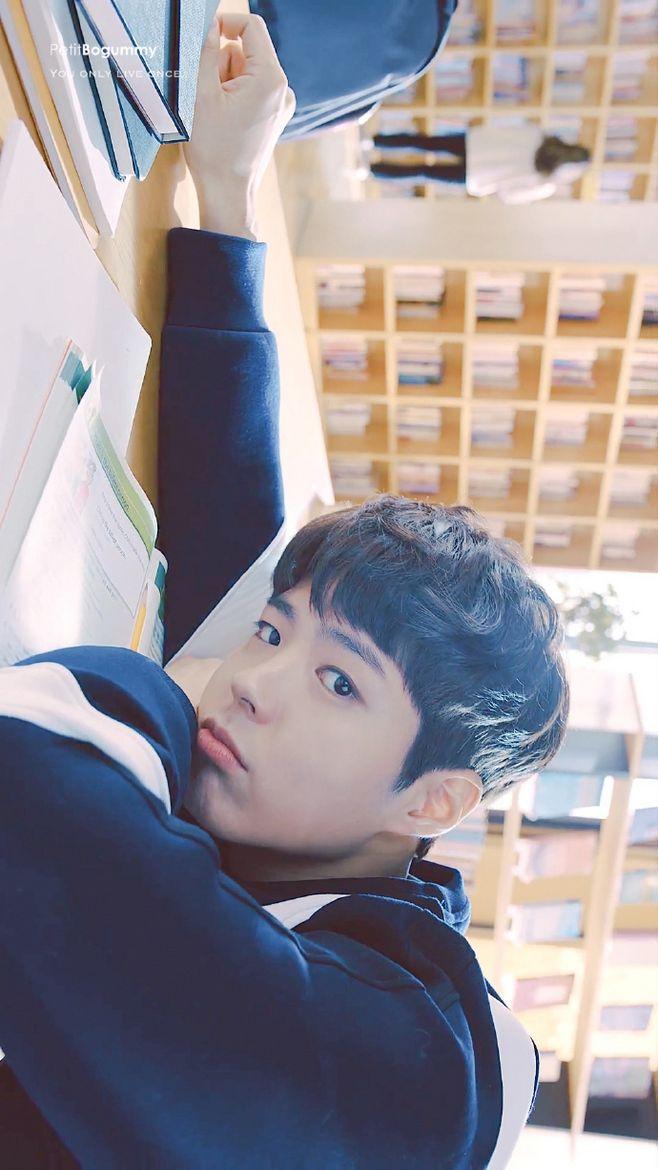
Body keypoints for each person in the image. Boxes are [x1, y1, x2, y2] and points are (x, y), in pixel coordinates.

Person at [0, 12, 570, 1169]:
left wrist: (156, 698)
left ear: (434, 801)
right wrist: (227, 194)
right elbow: (233, 548)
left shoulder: (421, 1079)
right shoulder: (315, 829)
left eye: (338, 683)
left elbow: (30, 788)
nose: (253, 683)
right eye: (274, 636)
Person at [366, 123, 591, 204]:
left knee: (424, 143)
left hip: (477, 143)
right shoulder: (545, 184)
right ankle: (371, 170)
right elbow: (510, 196)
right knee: (423, 173)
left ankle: (374, 142)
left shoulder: (540, 136)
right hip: (478, 176)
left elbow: (508, 129)